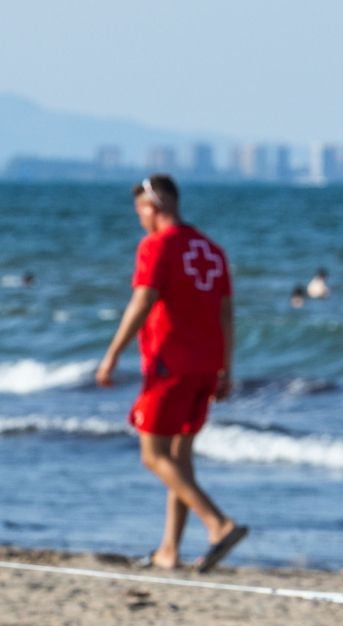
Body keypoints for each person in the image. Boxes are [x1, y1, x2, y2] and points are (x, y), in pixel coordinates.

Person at [95, 173, 248, 573]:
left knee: (153, 455)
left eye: (140, 212)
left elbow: (142, 300)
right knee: (180, 459)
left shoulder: (157, 245)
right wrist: (226, 368)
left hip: (171, 364)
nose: (140, 221)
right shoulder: (212, 250)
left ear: (153, 206)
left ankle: (218, 524)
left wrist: (112, 355)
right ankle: (169, 550)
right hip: (206, 364)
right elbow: (227, 312)